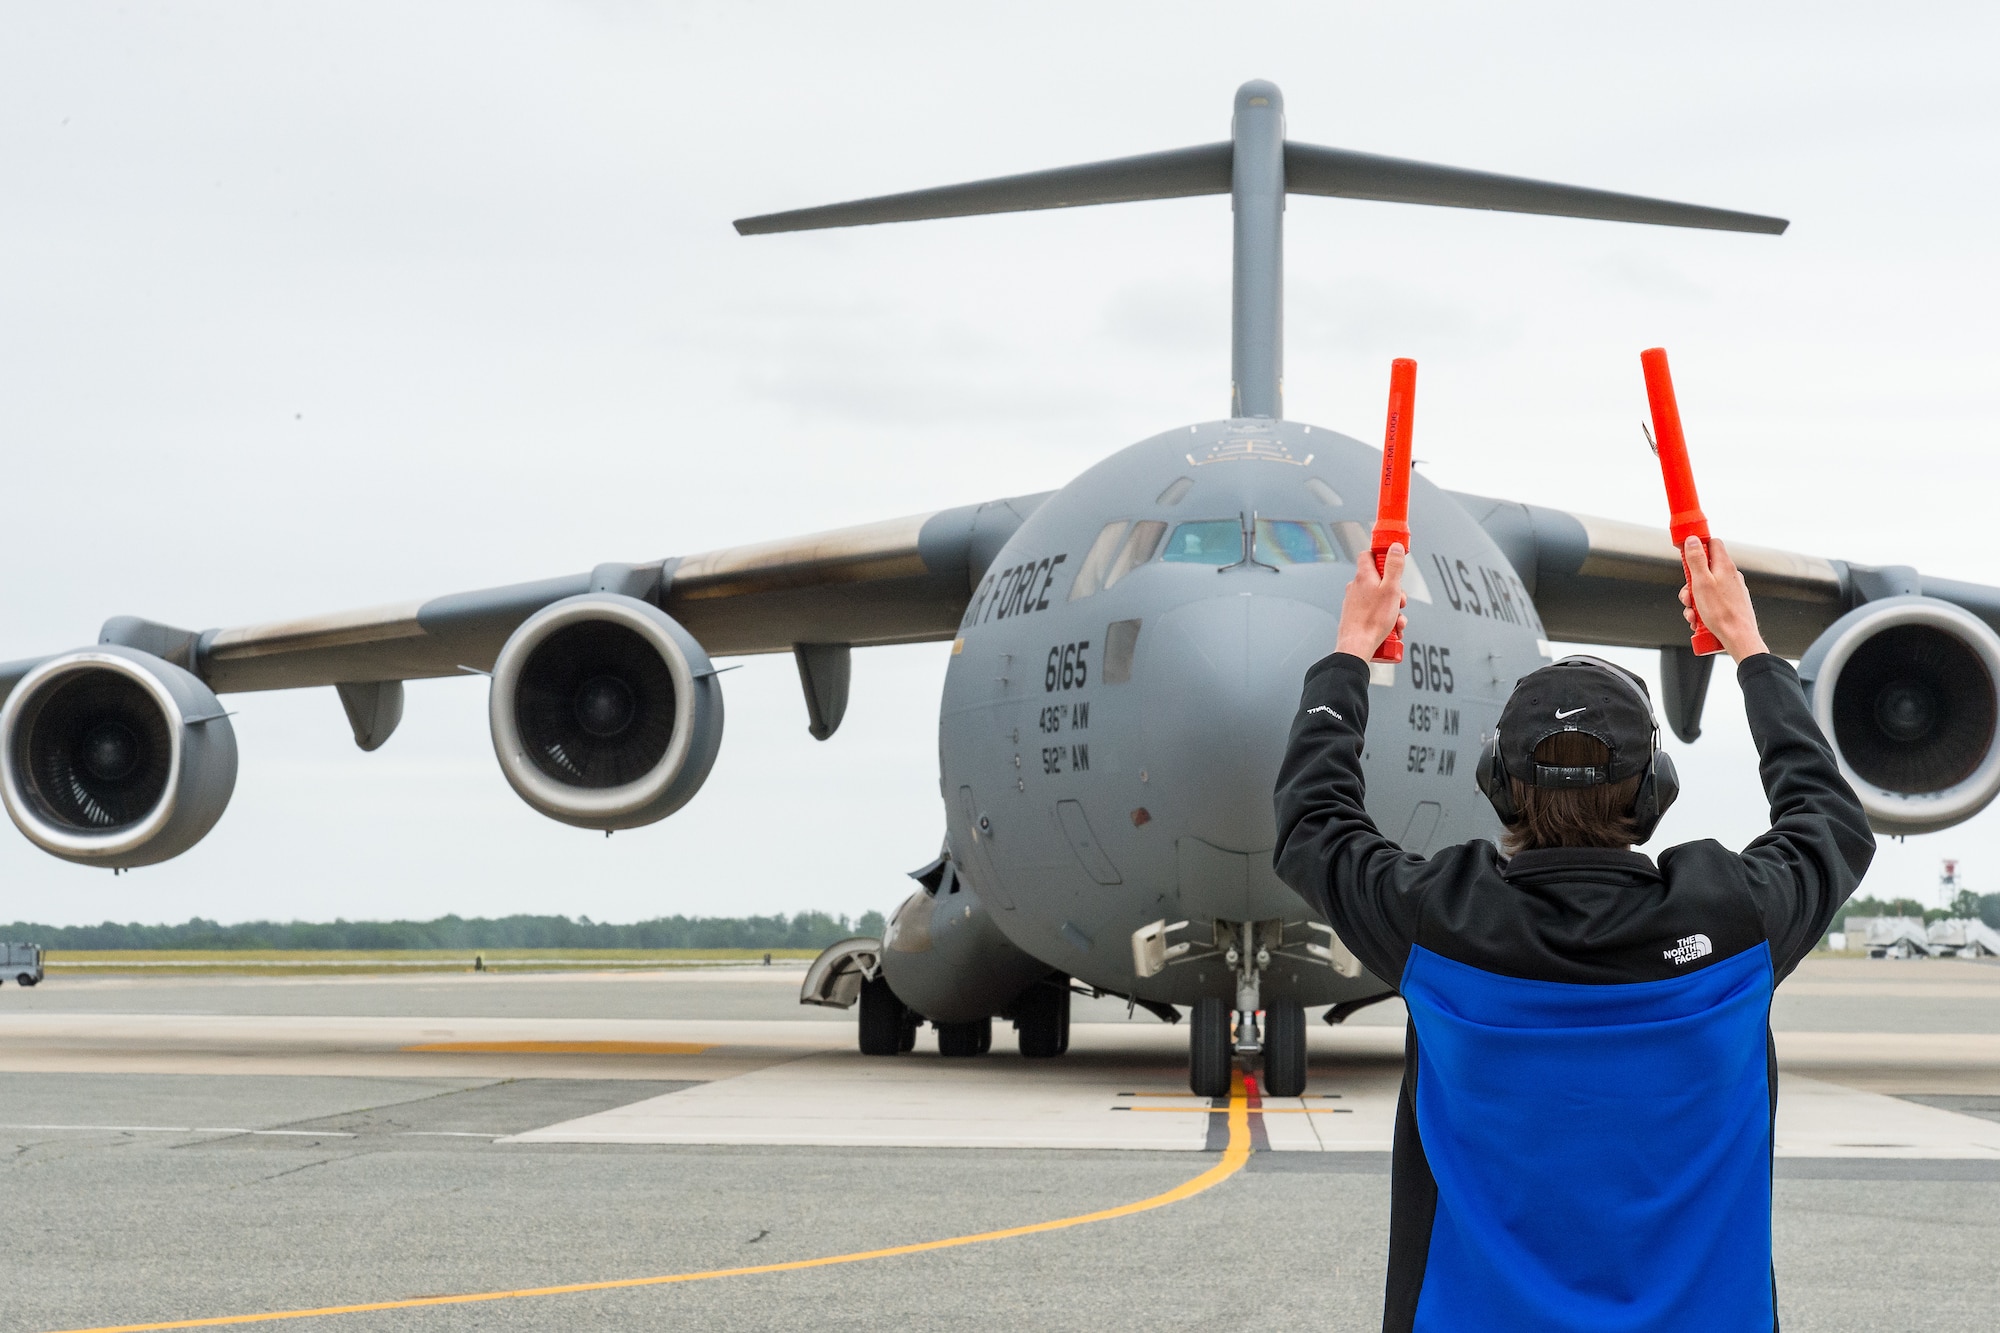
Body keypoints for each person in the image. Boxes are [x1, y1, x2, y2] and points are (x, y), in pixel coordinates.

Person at [1273, 537, 1875, 1332]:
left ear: (1497, 786)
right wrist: (1750, 646)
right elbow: (1829, 817)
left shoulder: (1442, 922)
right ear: (1655, 790)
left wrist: (1350, 650)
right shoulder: (1734, 923)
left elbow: (1313, 820)